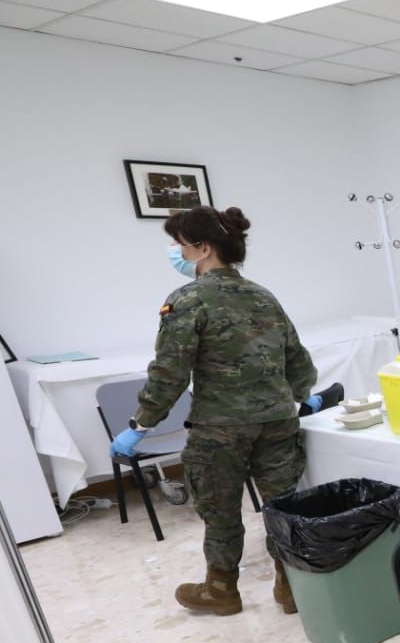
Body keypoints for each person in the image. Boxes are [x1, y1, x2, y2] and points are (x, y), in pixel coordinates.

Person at [110, 206, 334, 617]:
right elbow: (299, 362)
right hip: (277, 423)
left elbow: (169, 373)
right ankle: (291, 587)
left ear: (203, 248)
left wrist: (140, 425)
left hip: (220, 429)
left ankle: (221, 590)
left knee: (221, 511)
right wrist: (295, 399)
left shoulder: (187, 300)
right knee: (282, 505)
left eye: (180, 245)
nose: (176, 252)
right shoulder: (264, 296)